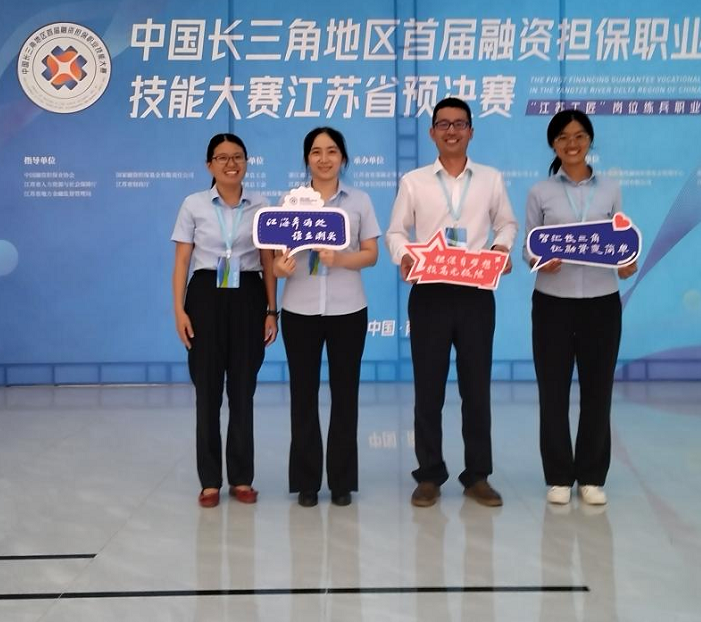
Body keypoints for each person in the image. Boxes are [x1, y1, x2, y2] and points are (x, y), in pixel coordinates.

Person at [386, 97, 517, 508]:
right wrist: (404, 256)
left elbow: (507, 223)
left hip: (477, 292)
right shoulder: (414, 181)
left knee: (476, 388)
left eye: (460, 124)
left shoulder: (491, 179)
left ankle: (478, 475)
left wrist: (501, 247)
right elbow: (395, 232)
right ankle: (429, 475)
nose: (452, 131)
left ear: (471, 131)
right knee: (429, 389)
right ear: (432, 133)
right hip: (430, 293)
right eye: (443, 124)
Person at [524, 110, 637, 507]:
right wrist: (539, 260)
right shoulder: (540, 192)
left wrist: (626, 262)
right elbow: (529, 246)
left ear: (589, 140)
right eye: (562, 137)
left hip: (602, 303)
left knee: (597, 391)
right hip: (552, 303)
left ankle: (591, 476)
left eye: (579, 136)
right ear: (553, 144)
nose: (571, 144)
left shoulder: (610, 189)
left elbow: (620, 240)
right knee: (553, 391)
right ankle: (558, 476)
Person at [273, 127, 380, 508]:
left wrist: (342, 258)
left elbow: (371, 254)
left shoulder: (359, 201)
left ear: (343, 158)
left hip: (347, 309)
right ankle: (306, 481)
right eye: (316, 152)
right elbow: (276, 256)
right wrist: (280, 268)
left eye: (332, 151)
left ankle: (341, 481)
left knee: (345, 395)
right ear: (307, 159)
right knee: (303, 396)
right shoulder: (290, 201)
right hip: (299, 309)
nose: (324, 158)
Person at [171, 133, 279, 508]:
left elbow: (267, 260)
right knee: (207, 392)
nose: (231, 164)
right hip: (205, 296)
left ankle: (242, 478)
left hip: (248, 295)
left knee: (243, 391)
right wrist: (179, 310)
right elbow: (182, 262)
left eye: (237, 157)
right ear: (209, 165)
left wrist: (271, 310)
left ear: (247, 162)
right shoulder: (194, 205)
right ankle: (210, 481)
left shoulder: (262, 205)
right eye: (222, 158)